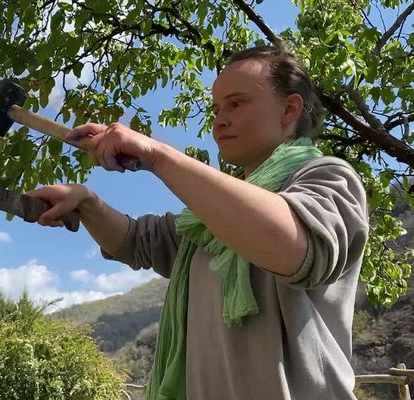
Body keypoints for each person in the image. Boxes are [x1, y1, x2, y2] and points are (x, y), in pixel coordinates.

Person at [26, 46, 369, 400]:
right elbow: (138, 241)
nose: (220, 119)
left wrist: (158, 155)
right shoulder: (206, 224)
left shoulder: (329, 178)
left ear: (289, 108)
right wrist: (87, 203)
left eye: (236, 103)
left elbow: (291, 246)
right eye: (216, 109)